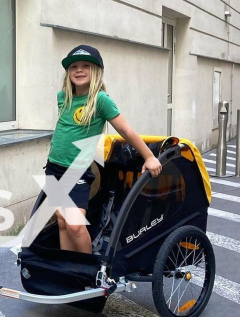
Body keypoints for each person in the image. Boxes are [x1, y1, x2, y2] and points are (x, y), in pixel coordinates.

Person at [46, 45, 162, 253]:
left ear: (96, 71)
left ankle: (86, 272)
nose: (79, 70)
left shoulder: (100, 100)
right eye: (74, 66)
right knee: (62, 221)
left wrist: (149, 156)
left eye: (86, 66)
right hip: (54, 167)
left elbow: (126, 130)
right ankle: (68, 269)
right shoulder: (64, 97)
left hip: (77, 170)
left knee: (74, 224)